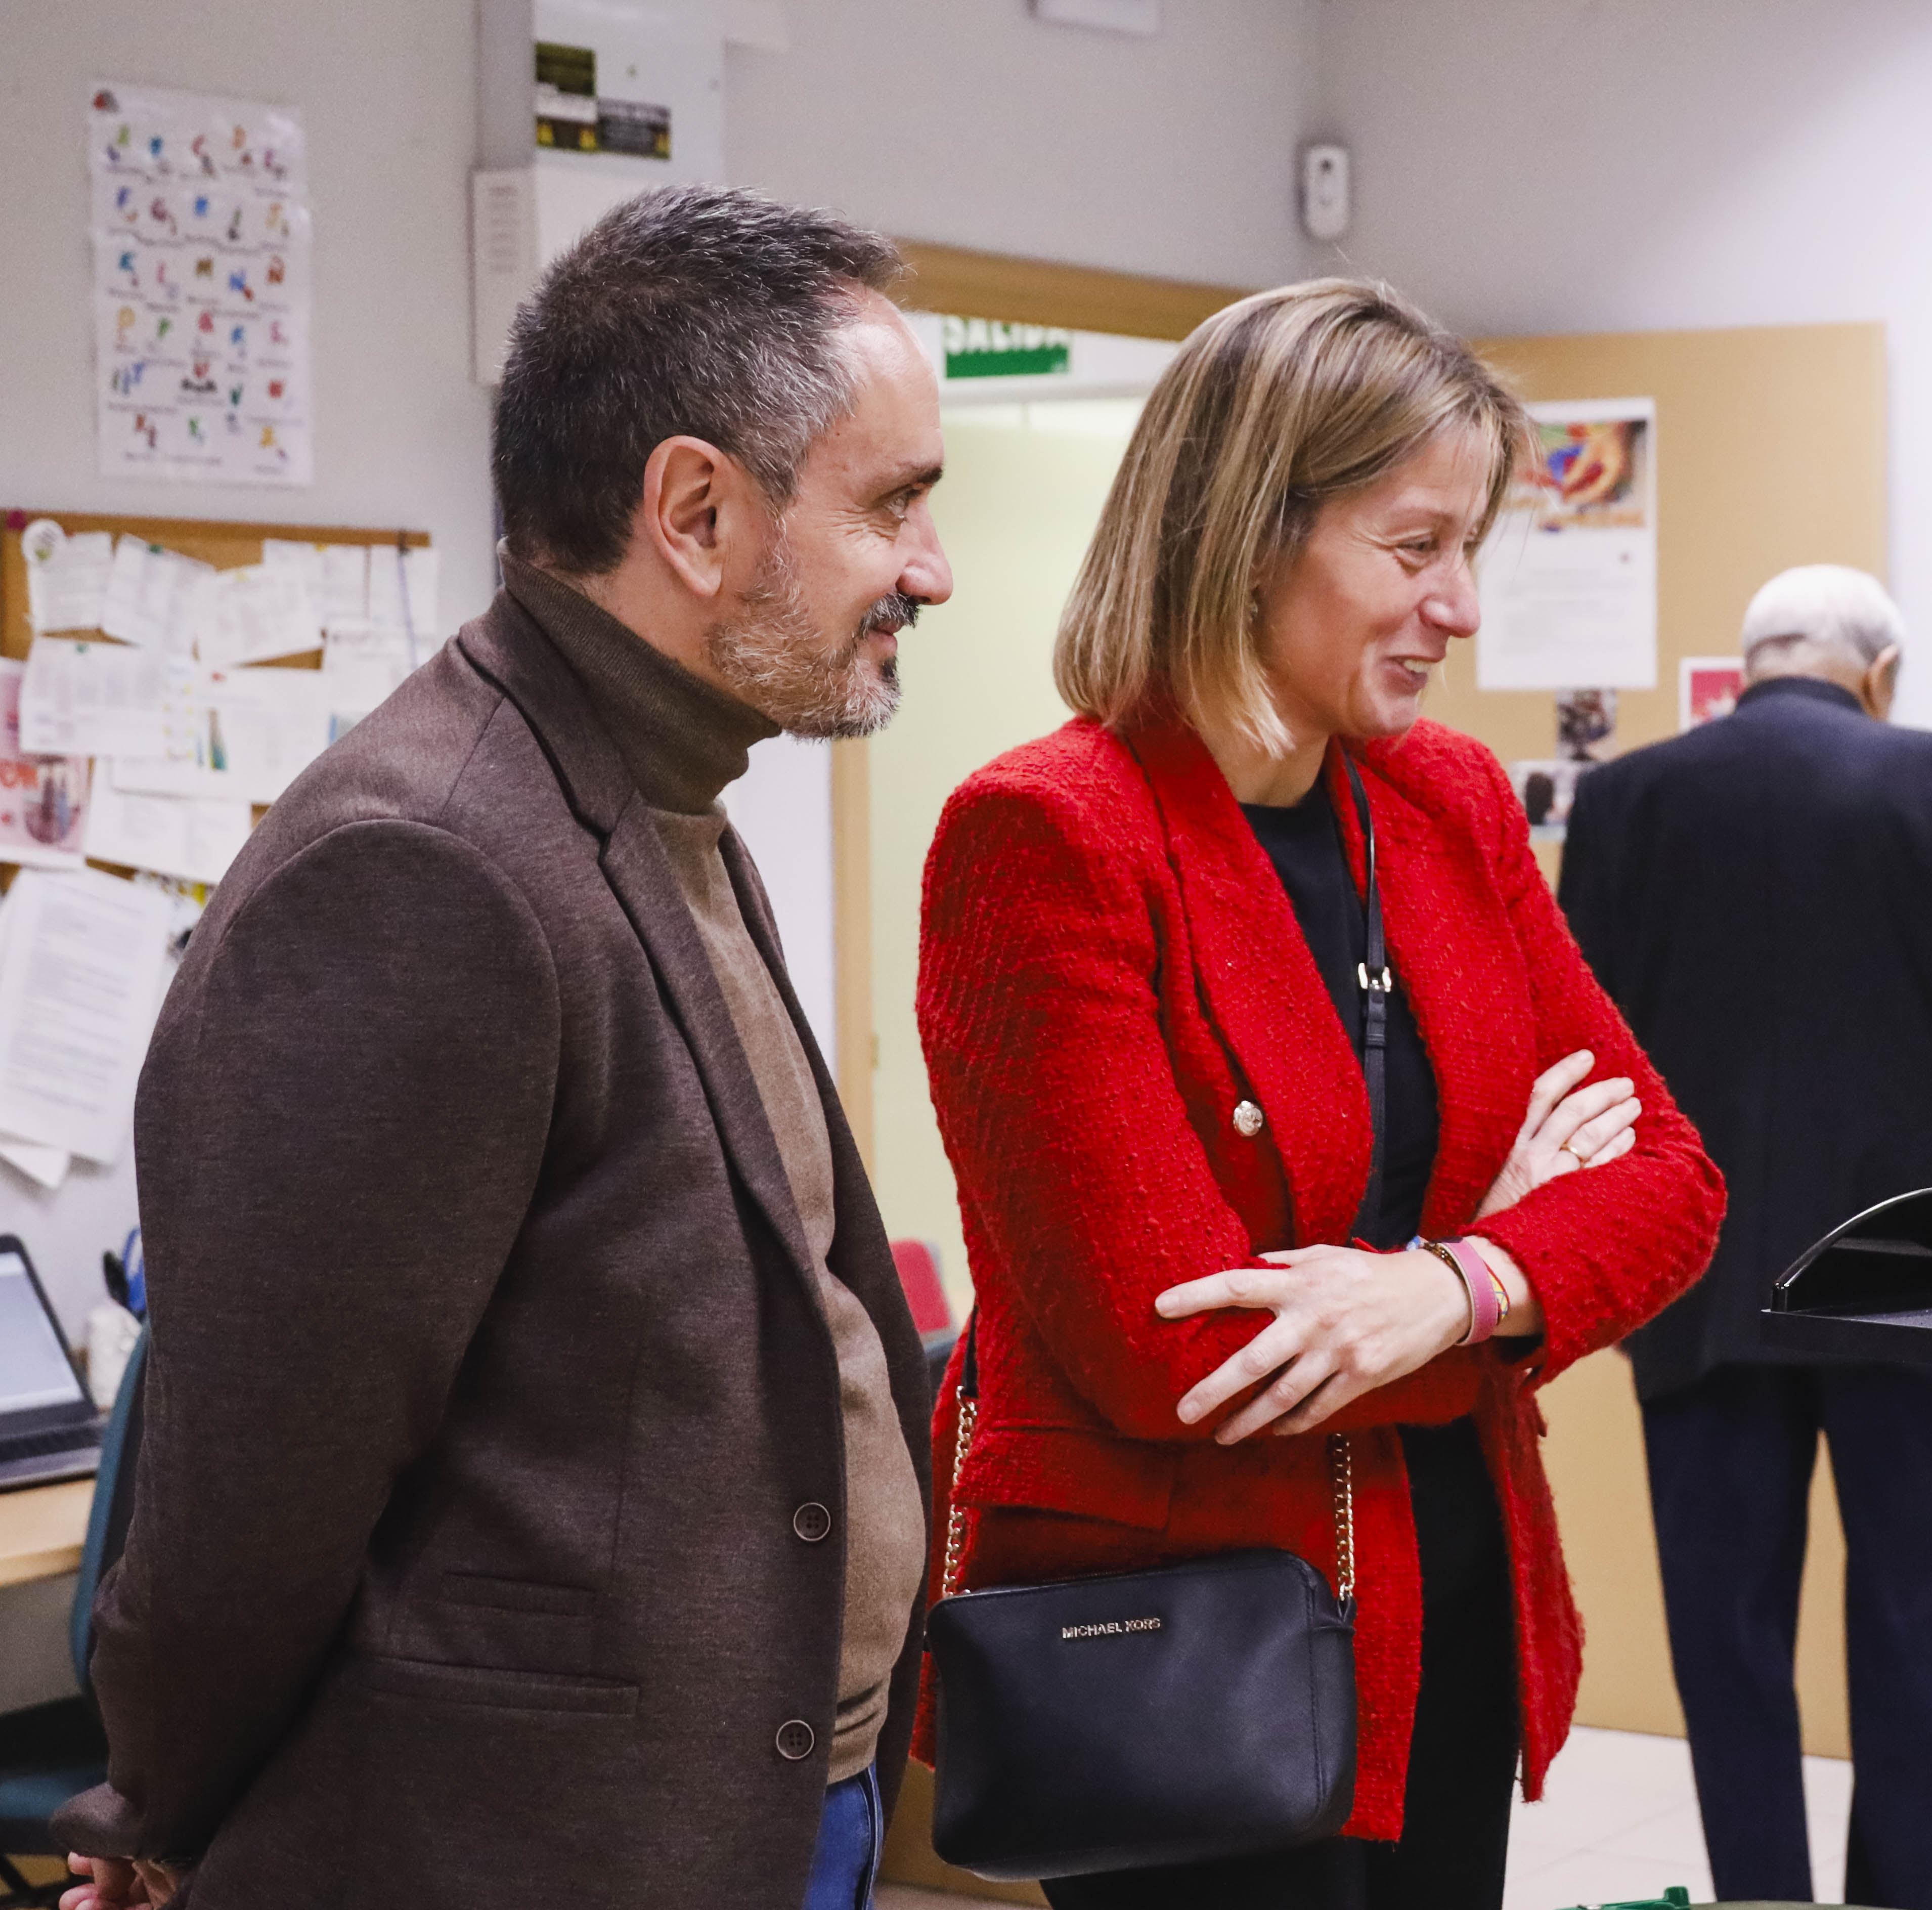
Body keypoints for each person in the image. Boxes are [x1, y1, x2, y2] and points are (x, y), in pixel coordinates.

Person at [54, 185, 949, 1910]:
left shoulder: (663, 802)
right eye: (891, 504)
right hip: (535, 1851)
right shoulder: (432, 861)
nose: (930, 566)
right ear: (697, 513)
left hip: (755, 1804)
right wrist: (156, 1814)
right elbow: (256, 1485)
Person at [912, 277, 1725, 1910]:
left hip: (1449, 1605)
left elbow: (1671, 1183)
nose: (1461, 607)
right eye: (1415, 548)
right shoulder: (1052, 837)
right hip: (1180, 1646)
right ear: (1243, 534)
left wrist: (1449, 1283)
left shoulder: (1445, 803)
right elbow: (1181, 1358)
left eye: (1468, 549)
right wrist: (1505, 1263)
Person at [1558, 565, 1932, 1910]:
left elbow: (1580, 1054)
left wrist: (1585, 1270)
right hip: (1910, 1302)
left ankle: (1761, 1900)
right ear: (1881, 672)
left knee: (1726, 1643)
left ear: (1751, 662)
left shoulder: (1627, 800)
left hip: (1693, 1291)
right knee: (1913, 1635)